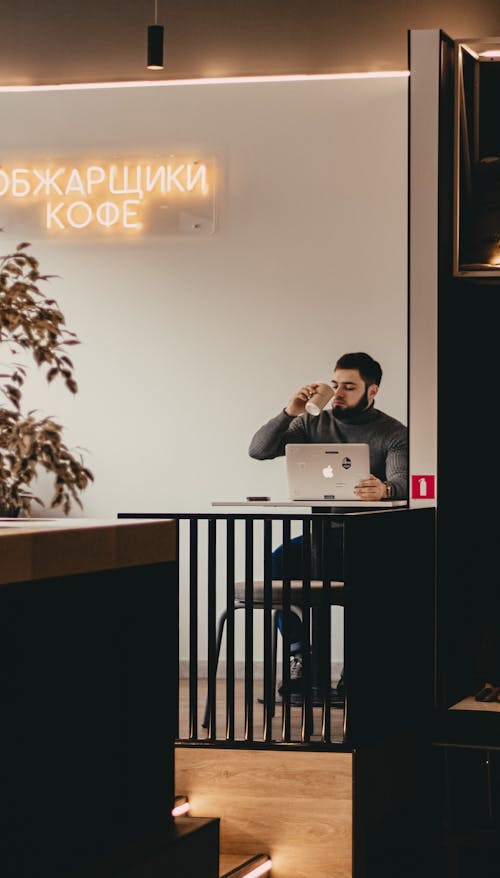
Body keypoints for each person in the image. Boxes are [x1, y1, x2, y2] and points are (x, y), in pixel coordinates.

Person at [248, 352, 408, 702]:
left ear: (372, 390)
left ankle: (358, 669)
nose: (338, 393)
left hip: (369, 538)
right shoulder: (310, 424)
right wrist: (290, 410)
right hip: (322, 534)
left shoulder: (392, 432)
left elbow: (401, 481)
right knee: (279, 563)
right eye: (335, 384)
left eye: (349, 387)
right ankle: (299, 658)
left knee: (375, 586)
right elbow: (259, 450)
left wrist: (386, 490)